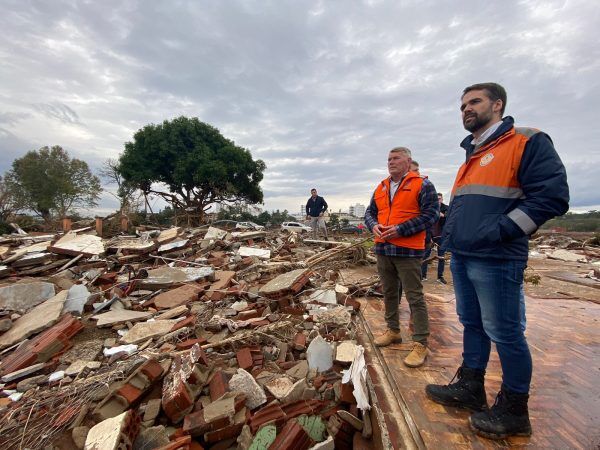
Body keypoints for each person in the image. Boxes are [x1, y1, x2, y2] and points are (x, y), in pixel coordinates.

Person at [425, 83, 569, 439]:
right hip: (464, 254)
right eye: (462, 106)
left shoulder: (526, 140)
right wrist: (452, 242)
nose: (466, 110)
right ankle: (471, 387)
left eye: (474, 102)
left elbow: (551, 197)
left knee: (504, 331)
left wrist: (502, 230)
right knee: (471, 323)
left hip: (498, 256)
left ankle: (514, 408)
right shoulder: (473, 152)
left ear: (498, 104)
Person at [364, 147, 439, 367]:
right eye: (389, 159)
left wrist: (401, 229)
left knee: (414, 296)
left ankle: (420, 343)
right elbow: (370, 212)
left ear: (408, 161)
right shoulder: (382, 186)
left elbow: (431, 214)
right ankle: (393, 330)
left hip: (407, 250)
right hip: (384, 249)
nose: (391, 162)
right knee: (388, 292)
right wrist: (373, 226)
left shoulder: (422, 185)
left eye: (396, 158)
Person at [421, 193, 448, 283]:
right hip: (430, 236)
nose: (438, 200)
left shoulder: (446, 209)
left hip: (441, 237)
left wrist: (443, 216)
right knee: (425, 256)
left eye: (440, 199)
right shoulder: (430, 209)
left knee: (441, 257)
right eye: (437, 199)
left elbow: (451, 220)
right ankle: (423, 276)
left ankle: (440, 277)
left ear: (442, 199)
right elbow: (425, 223)